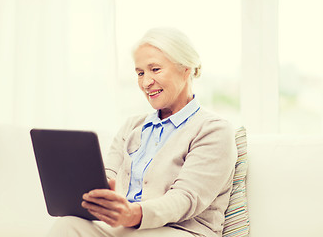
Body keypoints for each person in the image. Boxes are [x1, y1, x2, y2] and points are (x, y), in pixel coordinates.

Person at [47, 27, 237, 237]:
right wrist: (101, 190)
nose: (146, 82)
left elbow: (185, 199)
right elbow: (109, 174)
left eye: (155, 69)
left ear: (186, 69)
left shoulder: (214, 130)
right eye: (140, 73)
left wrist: (134, 214)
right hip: (126, 228)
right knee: (66, 226)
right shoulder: (132, 126)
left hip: (181, 231)